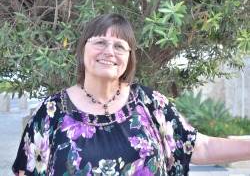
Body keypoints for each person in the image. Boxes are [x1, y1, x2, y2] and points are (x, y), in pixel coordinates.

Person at [13, 13, 250, 176]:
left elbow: (201, 148)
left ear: (129, 57)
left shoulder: (151, 104)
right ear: (83, 48)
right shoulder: (51, 111)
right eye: (100, 42)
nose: (109, 52)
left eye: (119, 46)